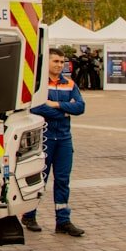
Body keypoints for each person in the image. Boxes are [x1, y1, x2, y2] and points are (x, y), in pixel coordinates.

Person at [21, 48, 86, 237]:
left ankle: (63, 221)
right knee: (39, 179)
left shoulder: (70, 84)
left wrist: (56, 105)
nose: (59, 65)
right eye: (55, 61)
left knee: (63, 180)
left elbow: (80, 107)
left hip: (64, 139)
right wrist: (66, 110)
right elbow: (37, 107)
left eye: (61, 62)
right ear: (47, 63)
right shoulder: (38, 85)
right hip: (45, 138)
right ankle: (29, 215)